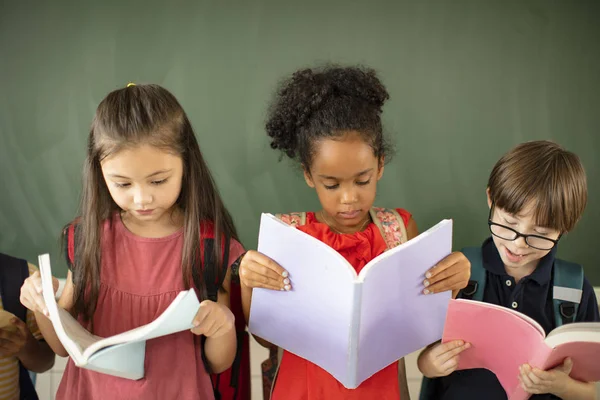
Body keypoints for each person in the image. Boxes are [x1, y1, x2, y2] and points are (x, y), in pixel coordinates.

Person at [237, 65, 471, 400]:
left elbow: (425, 327)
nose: (349, 199)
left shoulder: (398, 230)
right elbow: (267, 340)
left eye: (363, 180)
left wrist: (454, 283)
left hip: (381, 389)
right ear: (308, 174)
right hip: (303, 388)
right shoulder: (288, 235)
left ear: (380, 165)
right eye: (330, 185)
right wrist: (248, 282)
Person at [19, 83, 244, 400]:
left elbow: (219, 363)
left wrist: (222, 326)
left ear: (186, 165)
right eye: (122, 183)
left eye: (159, 180)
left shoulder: (209, 246)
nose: (142, 198)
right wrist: (41, 304)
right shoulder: (87, 239)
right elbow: (62, 348)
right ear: (100, 173)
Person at [417, 140, 600, 399]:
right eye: (509, 222)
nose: (518, 244)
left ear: (564, 228)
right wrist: (431, 363)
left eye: (540, 234)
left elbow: (589, 393)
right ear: (491, 199)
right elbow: (424, 361)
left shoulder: (573, 290)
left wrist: (559, 385)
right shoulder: (458, 271)